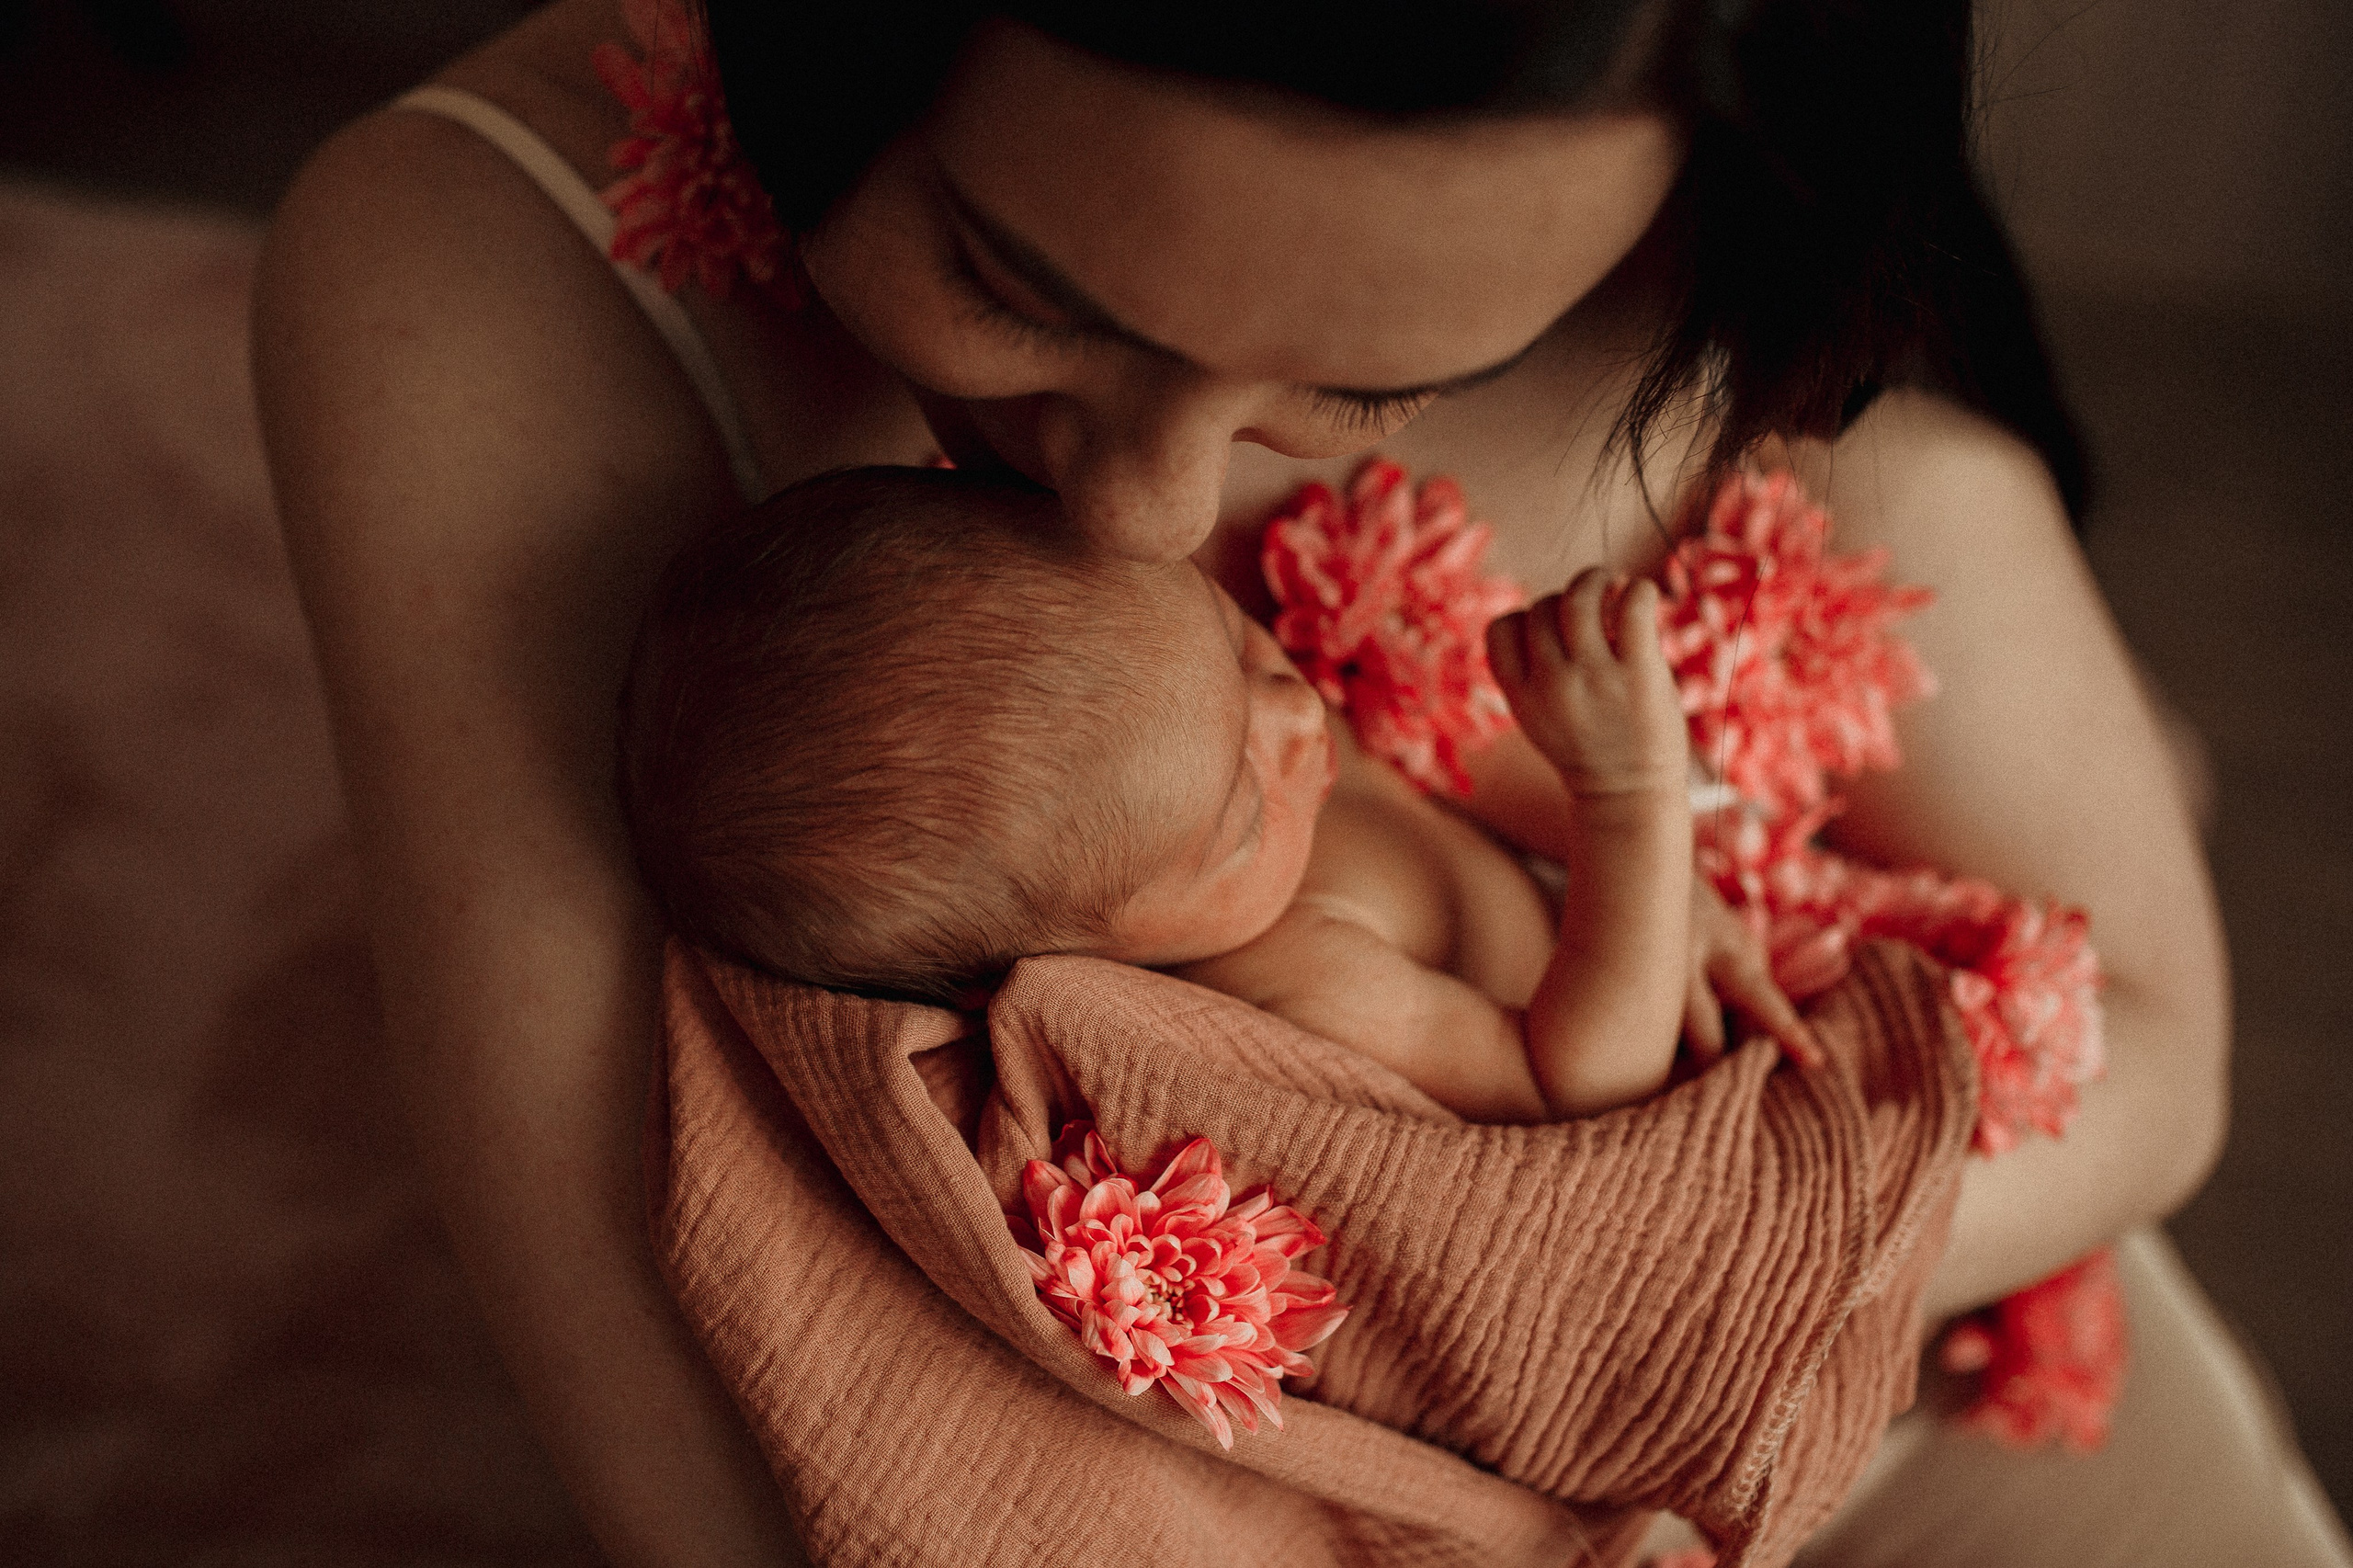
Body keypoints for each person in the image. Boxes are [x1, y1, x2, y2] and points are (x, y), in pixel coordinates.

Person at [248, 1, 2305, 1562]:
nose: (1145, 524)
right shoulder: (495, 281)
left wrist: (1653, 1283)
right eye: (1011, 282)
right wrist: (1515, 1289)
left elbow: (2150, 1053)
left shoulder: (1724, 221)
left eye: (1374, 385)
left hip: (1930, 1328)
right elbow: (750, 1437)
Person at [617, 465, 1817, 1125]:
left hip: (1633, 925)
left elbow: (1439, 770)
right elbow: (1575, 1081)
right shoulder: (1295, 974)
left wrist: (1638, 864)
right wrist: (1628, 795)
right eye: (1237, 813)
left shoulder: (1211, 741)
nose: (1298, 719)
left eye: (1242, 644)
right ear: (1067, 961)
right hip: (1611, 1017)